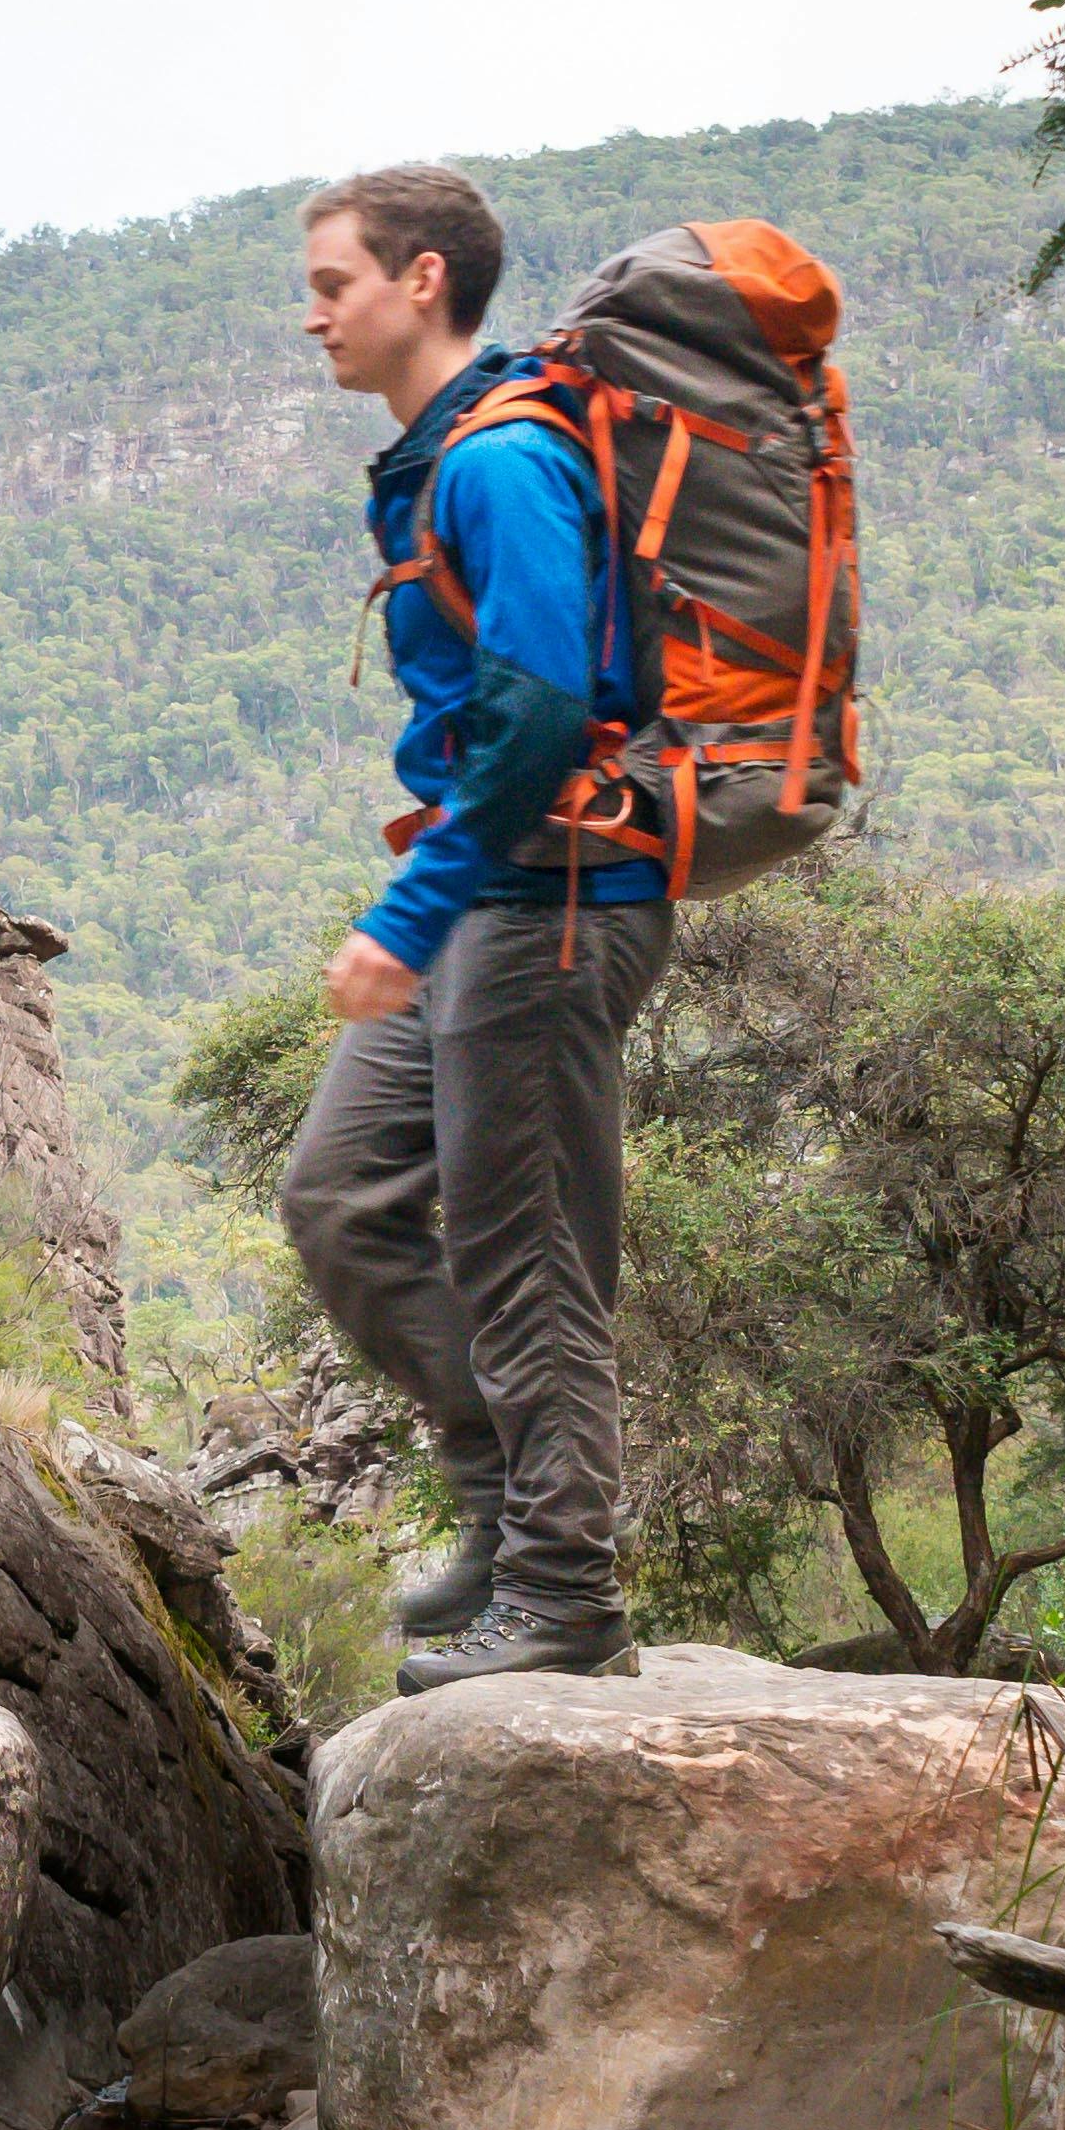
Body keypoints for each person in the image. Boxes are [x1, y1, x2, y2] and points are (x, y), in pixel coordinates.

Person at [277, 162, 668, 1689]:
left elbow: (540, 708)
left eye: (334, 283)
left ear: (422, 279)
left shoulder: (500, 461)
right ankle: (505, 1513)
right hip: (488, 896)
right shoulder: (442, 452)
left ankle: (565, 1594)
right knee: (342, 1197)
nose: (314, 315)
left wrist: (410, 911)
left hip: (547, 900)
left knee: (529, 1256)